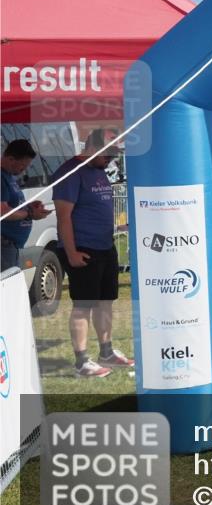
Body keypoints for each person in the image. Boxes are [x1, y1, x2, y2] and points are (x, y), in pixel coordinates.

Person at [53, 128, 132, 378]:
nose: (111, 160)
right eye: (107, 154)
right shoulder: (70, 172)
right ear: (92, 147)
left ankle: (106, 352)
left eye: (114, 155)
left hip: (105, 247)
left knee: (105, 301)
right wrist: (72, 252)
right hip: (83, 249)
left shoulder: (98, 171)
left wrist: (118, 227)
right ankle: (81, 361)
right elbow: (63, 217)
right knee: (83, 305)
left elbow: (95, 208)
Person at [1, 139, 50, 271]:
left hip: (11, 246)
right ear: (11, 159)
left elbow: (11, 204)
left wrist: (27, 206)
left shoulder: (9, 176)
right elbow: (3, 211)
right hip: (4, 245)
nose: (24, 170)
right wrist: (29, 213)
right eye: (23, 166)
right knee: (7, 288)